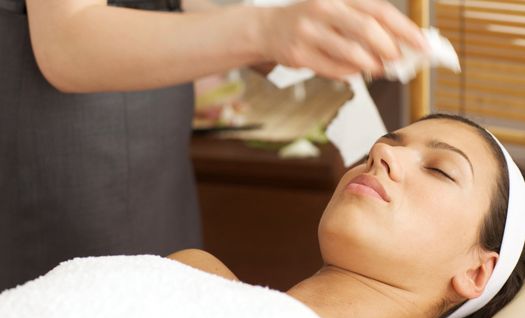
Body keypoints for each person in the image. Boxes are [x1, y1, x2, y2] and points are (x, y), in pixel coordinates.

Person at [0, 0, 428, 290]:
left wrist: (285, 36)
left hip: (151, 132)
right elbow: (66, 41)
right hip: (73, 140)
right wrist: (263, 31)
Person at [1, 114, 523, 318]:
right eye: (382, 144)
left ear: (478, 271)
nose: (383, 153)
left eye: (439, 169)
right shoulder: (193, 270)